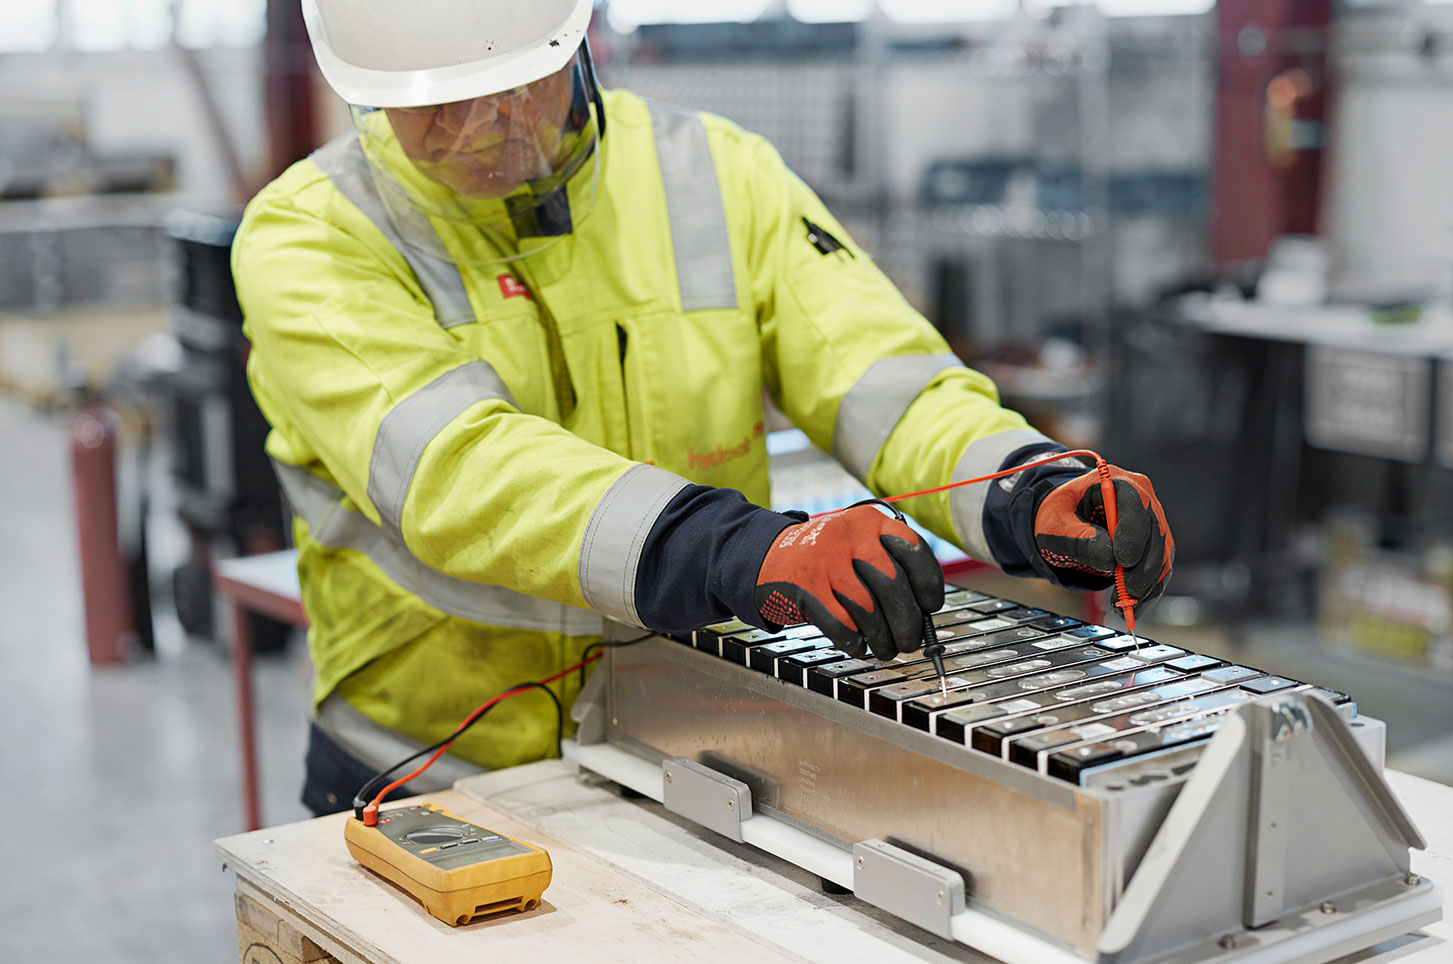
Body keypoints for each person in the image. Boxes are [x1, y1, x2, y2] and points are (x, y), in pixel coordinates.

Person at [232, 0, 1175, 816]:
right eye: (432, 102)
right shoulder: (310, 238)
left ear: (576, 41)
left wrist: (1017, 483)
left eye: (511, 86)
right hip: (433, 778)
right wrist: (735, 550)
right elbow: (459, 470)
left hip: (699, 758)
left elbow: (877, 372)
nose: (478, 127)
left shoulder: (716, 176)